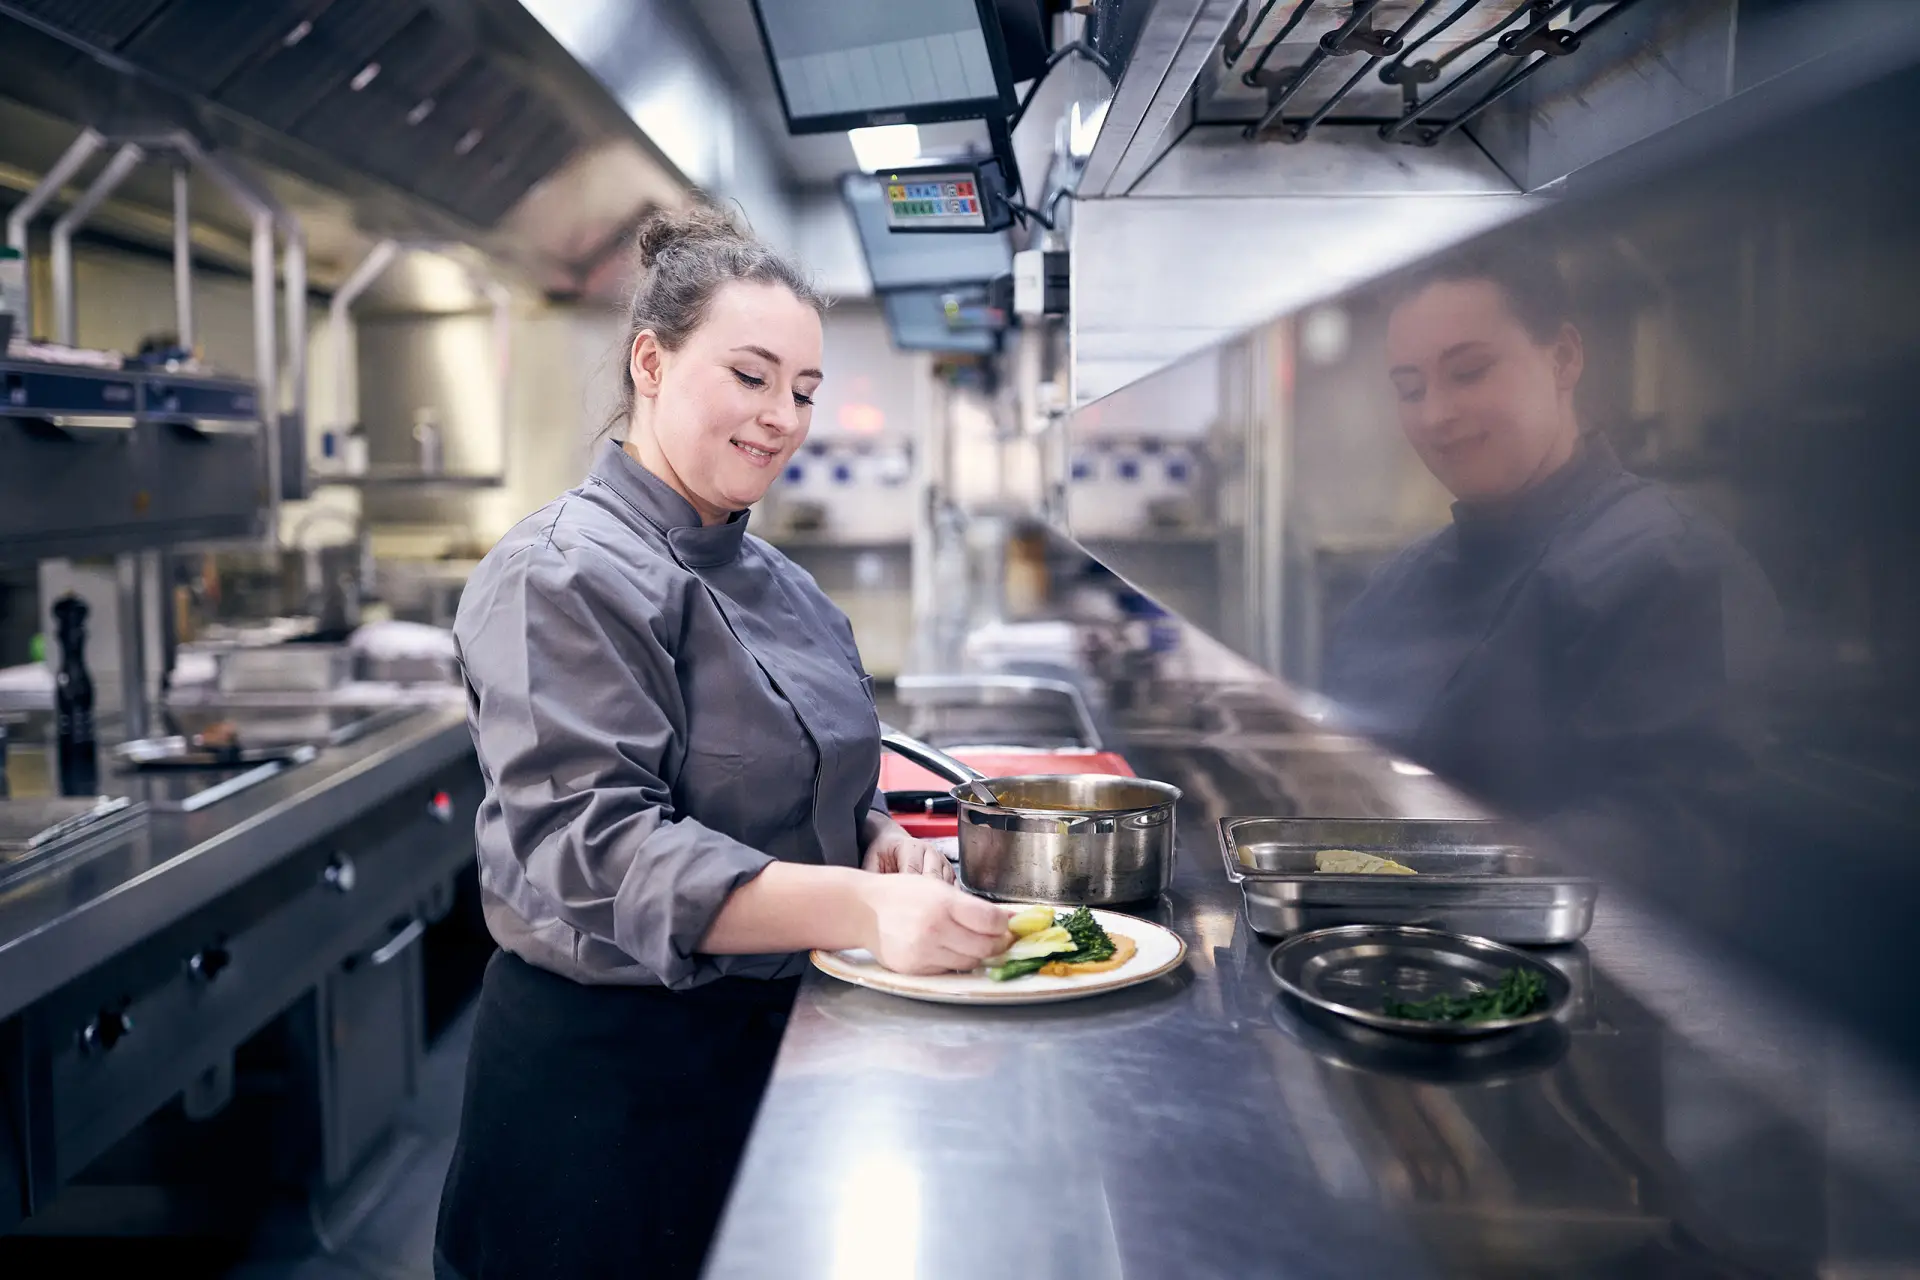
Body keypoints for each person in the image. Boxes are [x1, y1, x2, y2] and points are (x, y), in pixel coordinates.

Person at [434, 207, 1012, 1280]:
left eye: (802, 388)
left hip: (769, 1048)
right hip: (606, 1087)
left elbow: (797, 778)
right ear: (651, 362)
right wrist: (863, 906)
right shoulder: (559, 573)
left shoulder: (777, 580)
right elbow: (601, 848)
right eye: (750, 375)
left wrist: (874, 836)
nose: (782, 417)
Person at [1320, 246, 1779, 862]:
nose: (1435, 415)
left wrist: (1435, 874)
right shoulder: (1401, 584)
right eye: (1410, 388)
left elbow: (1676, 842)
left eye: (1469, 372)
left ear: (1563, 358)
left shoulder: (1671, 566)